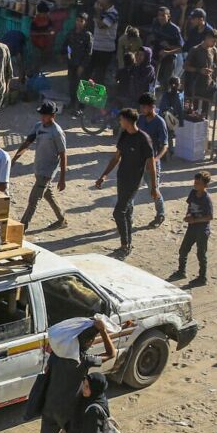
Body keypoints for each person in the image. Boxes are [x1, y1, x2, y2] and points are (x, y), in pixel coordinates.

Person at [8, 316, 117, 433]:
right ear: (88, 342)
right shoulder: (83, 360)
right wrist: (103, 330)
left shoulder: (58, 355)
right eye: (92, 340)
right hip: (69, 415)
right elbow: (111, 353)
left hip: (49, 409)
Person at [95, 108, 160, 258]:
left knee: (119, 212)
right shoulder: (124, 135)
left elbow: (151, 165)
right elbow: (116, 157)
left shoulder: (144, 139)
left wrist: (154, 187)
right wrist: (104, 175)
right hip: (121, 178)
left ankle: (124, 245)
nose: (119, 122)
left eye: (121, 119)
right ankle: (128, 243)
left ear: (127, 121)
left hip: (133, 182)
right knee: (127, 211)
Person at [12, 102, 67, 230]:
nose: (42, 117)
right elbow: (27, 142)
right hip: (38, 168)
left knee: (33, 200)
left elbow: (63, 155)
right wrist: (15, 157)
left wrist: (62, 178)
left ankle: (22, 227)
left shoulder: (57, 132)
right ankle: (62, 219)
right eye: (41, 114)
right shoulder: (38, 127)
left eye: (45, 115)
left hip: (47, 172)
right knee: (48, 195)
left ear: (53, 115)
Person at [136, 93, 168, 228]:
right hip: (138, 161)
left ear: (151, 107)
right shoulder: (140, 120)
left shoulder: (160, 122)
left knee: (153, 190)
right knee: (132, 189)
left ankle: (160, 214)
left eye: (144, 107)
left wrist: (155, 159)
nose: (142, 109)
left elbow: (165, 145)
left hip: (152, 163)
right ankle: (128, 215)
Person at [61, 13, 92, 111]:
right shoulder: (71, 33)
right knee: (72, 84)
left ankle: (81, 107)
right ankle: (72, 103)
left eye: (81, 21)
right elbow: (65, 45)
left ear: (85, 23)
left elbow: (89, 53)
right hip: (71, 64)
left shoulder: (87, 35)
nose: (78, 23)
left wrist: (82, 66)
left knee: (82, 85)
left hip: (82, 65)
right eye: (77, 20)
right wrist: (63, 55)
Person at [149, 7, 184, 91]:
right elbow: (152, 37)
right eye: (159, 15)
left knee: (166, 83)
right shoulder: (155, 23)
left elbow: (181, 48)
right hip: (155, 57)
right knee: (153, 80)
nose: (160, 17)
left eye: (163, 15)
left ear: (168, 16)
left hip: (168, 59)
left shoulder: (174, 29)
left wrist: (168, 48)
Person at [183, 28, 217, 100]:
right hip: (194, 85)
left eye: (216, 42)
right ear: (207, 38)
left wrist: (216, 78)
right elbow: (185, 67)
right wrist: (199, 70)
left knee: (205, 109)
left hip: (208, 85)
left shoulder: (213, 50)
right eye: (214, 41)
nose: (215, 44)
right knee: (193, 109)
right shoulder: (195, 50)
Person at [89, 0, 119, 84]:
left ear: (107, 0)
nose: (98, 0)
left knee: (99, 75)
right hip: (95, 46)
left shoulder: (113, 13)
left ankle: (97, 97)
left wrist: (98, 12)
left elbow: (101, 25)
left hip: (105, 49)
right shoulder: (102, 11)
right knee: (90, 73)